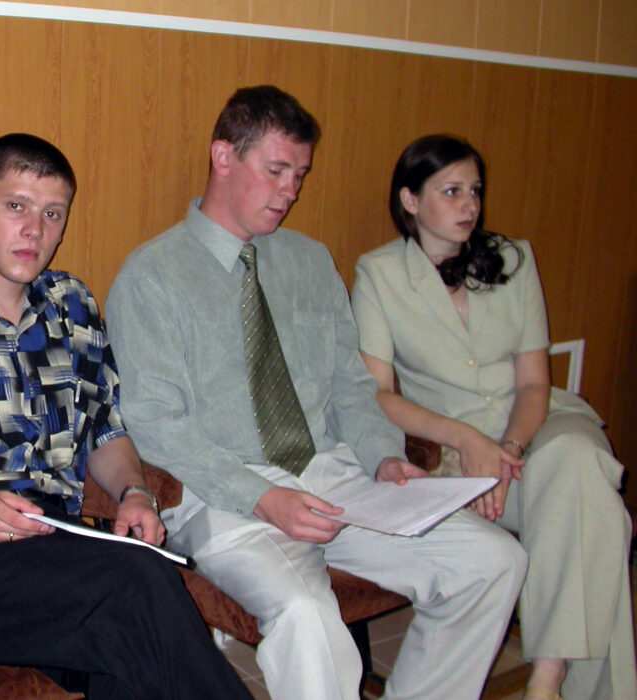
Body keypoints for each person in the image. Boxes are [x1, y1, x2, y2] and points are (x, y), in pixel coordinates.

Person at [106, 86, 528, 700]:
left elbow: (352, 387)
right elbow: (158, 423)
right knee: (306, 617)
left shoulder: (309, 261)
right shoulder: (152, 275)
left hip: (332, 476)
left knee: (494, 562)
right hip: (224, 494)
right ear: (223, 157)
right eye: (276, 170)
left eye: (299, 175)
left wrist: (385, 456)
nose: (290, 191)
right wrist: (262, 497)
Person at [0, 133, 248, 699]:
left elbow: (105, 430)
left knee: (130, 653)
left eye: (53, 213)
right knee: (137, 587)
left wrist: (134, 492)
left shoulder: (72, 307)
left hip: (53, 542)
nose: (35, 230)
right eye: (17, 206)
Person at [350, 134, 636, 700]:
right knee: (596, 510)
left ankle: (545, 681)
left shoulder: (512, 258)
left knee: (578, 455)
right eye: (451, 191)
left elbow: (534, 382)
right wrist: (467, 440)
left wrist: (509, 450)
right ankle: (557, 682)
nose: (470, 206)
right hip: (455, 444)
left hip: (537, 427)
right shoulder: (379, 274)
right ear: (410, 200)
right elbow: (377, 394)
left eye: (475, 191)